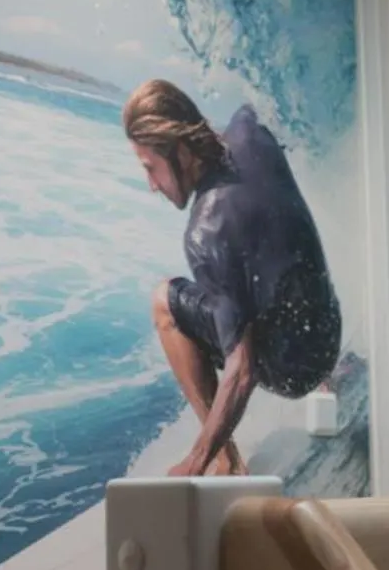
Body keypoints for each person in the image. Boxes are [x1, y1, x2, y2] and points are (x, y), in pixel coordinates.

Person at [123, 79, 342, 477]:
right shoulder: (249, 130)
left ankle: (227, 459)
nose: (151, 185)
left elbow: (242, 371)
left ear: (182, 151)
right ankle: (334, 375)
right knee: (266, 262)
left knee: (164, 301)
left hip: (293, 371)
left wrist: (197, 459)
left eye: (151, 168)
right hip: (327, 337)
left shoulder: (206, 232)